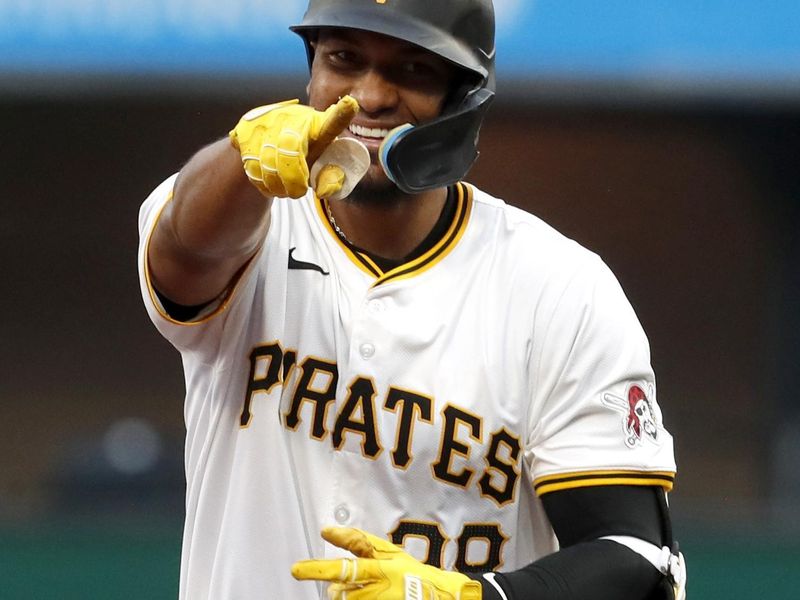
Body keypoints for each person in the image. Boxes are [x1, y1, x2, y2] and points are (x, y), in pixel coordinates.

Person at [137, 1, 686, 599]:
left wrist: (477, 598)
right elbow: (185, 249)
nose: (370, 96)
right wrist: (243, 160)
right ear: (311, 68)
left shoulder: (559, 289)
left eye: (413, 69)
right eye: (344, 58)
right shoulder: (250, 222)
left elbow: (639, 561)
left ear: (464, 97)